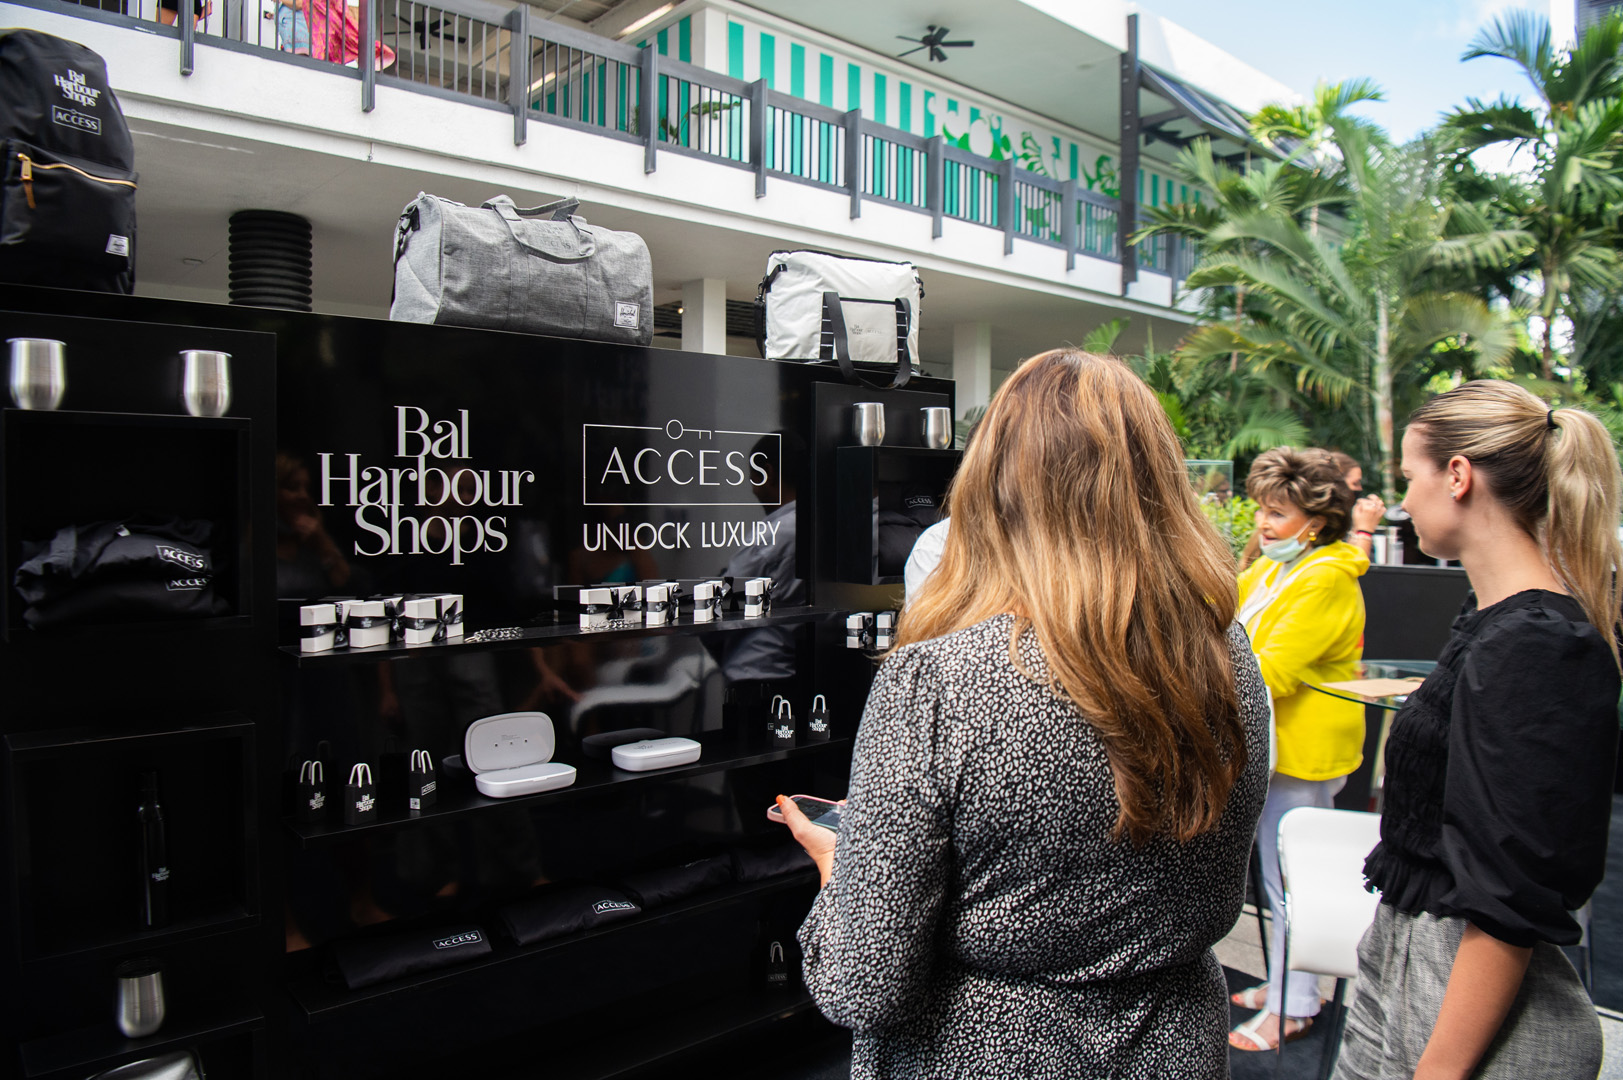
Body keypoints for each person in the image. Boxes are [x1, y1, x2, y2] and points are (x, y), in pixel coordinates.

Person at [775, 349, 1271, 1079]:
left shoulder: (936, 680)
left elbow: (863, 983)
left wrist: (839, 864)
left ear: (994, 481)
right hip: (1176, 1045)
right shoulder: (1228, 656)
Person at [1334, 382, 1621, 1080]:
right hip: (1406, 963)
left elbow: (1507, 895)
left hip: (1458, 998)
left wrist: (1440, 1069)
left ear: (1457, 476)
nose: (1403, 499)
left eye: (1408, 476)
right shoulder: (1492, 622)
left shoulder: (1535, 642)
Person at [1228, 447, 1368, 1051]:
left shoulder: (1329, 578)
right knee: (1275, 876)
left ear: (1316, 519)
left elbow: (1273, 669)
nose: (1265, 523)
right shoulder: (1270, 571)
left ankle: (1296, 1003)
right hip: (1269, 748)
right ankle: (1285, 985)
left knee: (1294, 886)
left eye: (1278, 513)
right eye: (1262, 509)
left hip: (1302, 753)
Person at [1330, 450, 1387, 560]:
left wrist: (1358, 525)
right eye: (1355, 483)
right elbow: (1354, 566)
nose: (1359, 489)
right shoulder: (1323, 523)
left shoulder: (1343, 520)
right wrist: (1365, 531)